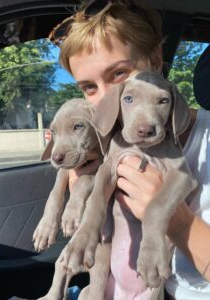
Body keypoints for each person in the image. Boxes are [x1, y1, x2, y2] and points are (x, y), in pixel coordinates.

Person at [49, 0, 210, 299]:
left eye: (119, 74)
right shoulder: (115, 140)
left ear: (155, 59)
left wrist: (173, 218)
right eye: (89, 87)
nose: (108, 97)